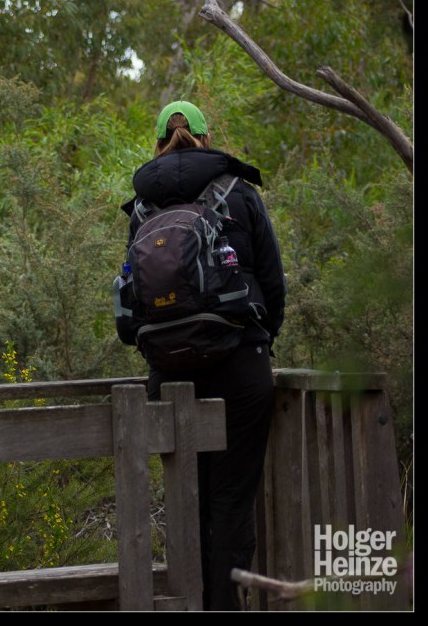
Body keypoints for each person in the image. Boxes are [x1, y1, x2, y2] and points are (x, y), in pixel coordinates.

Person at [120, 100, 287, 610]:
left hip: (170, 376)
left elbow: (134, 304)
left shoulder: (143, 208)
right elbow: (274, 283)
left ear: (157, 144)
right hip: (240, 366)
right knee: (232, 503)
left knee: (187, 503)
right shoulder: (239, 192)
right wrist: (259, 340)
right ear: (205, 137)